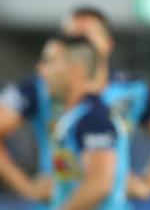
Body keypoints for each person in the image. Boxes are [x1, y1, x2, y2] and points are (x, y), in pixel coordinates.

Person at [0, 6, 150, 208]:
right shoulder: (40, 89)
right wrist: (27, 187)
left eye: (83, 39)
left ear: (106, 44)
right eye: (69, 38)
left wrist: (147, 185)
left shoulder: (120, 98)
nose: (72, 45)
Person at [38, 35, 127, 209]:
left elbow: (99, 185)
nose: (42, 70)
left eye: (51, 62)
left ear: (75, 70)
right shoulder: (77, 116)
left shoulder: (93, 118)